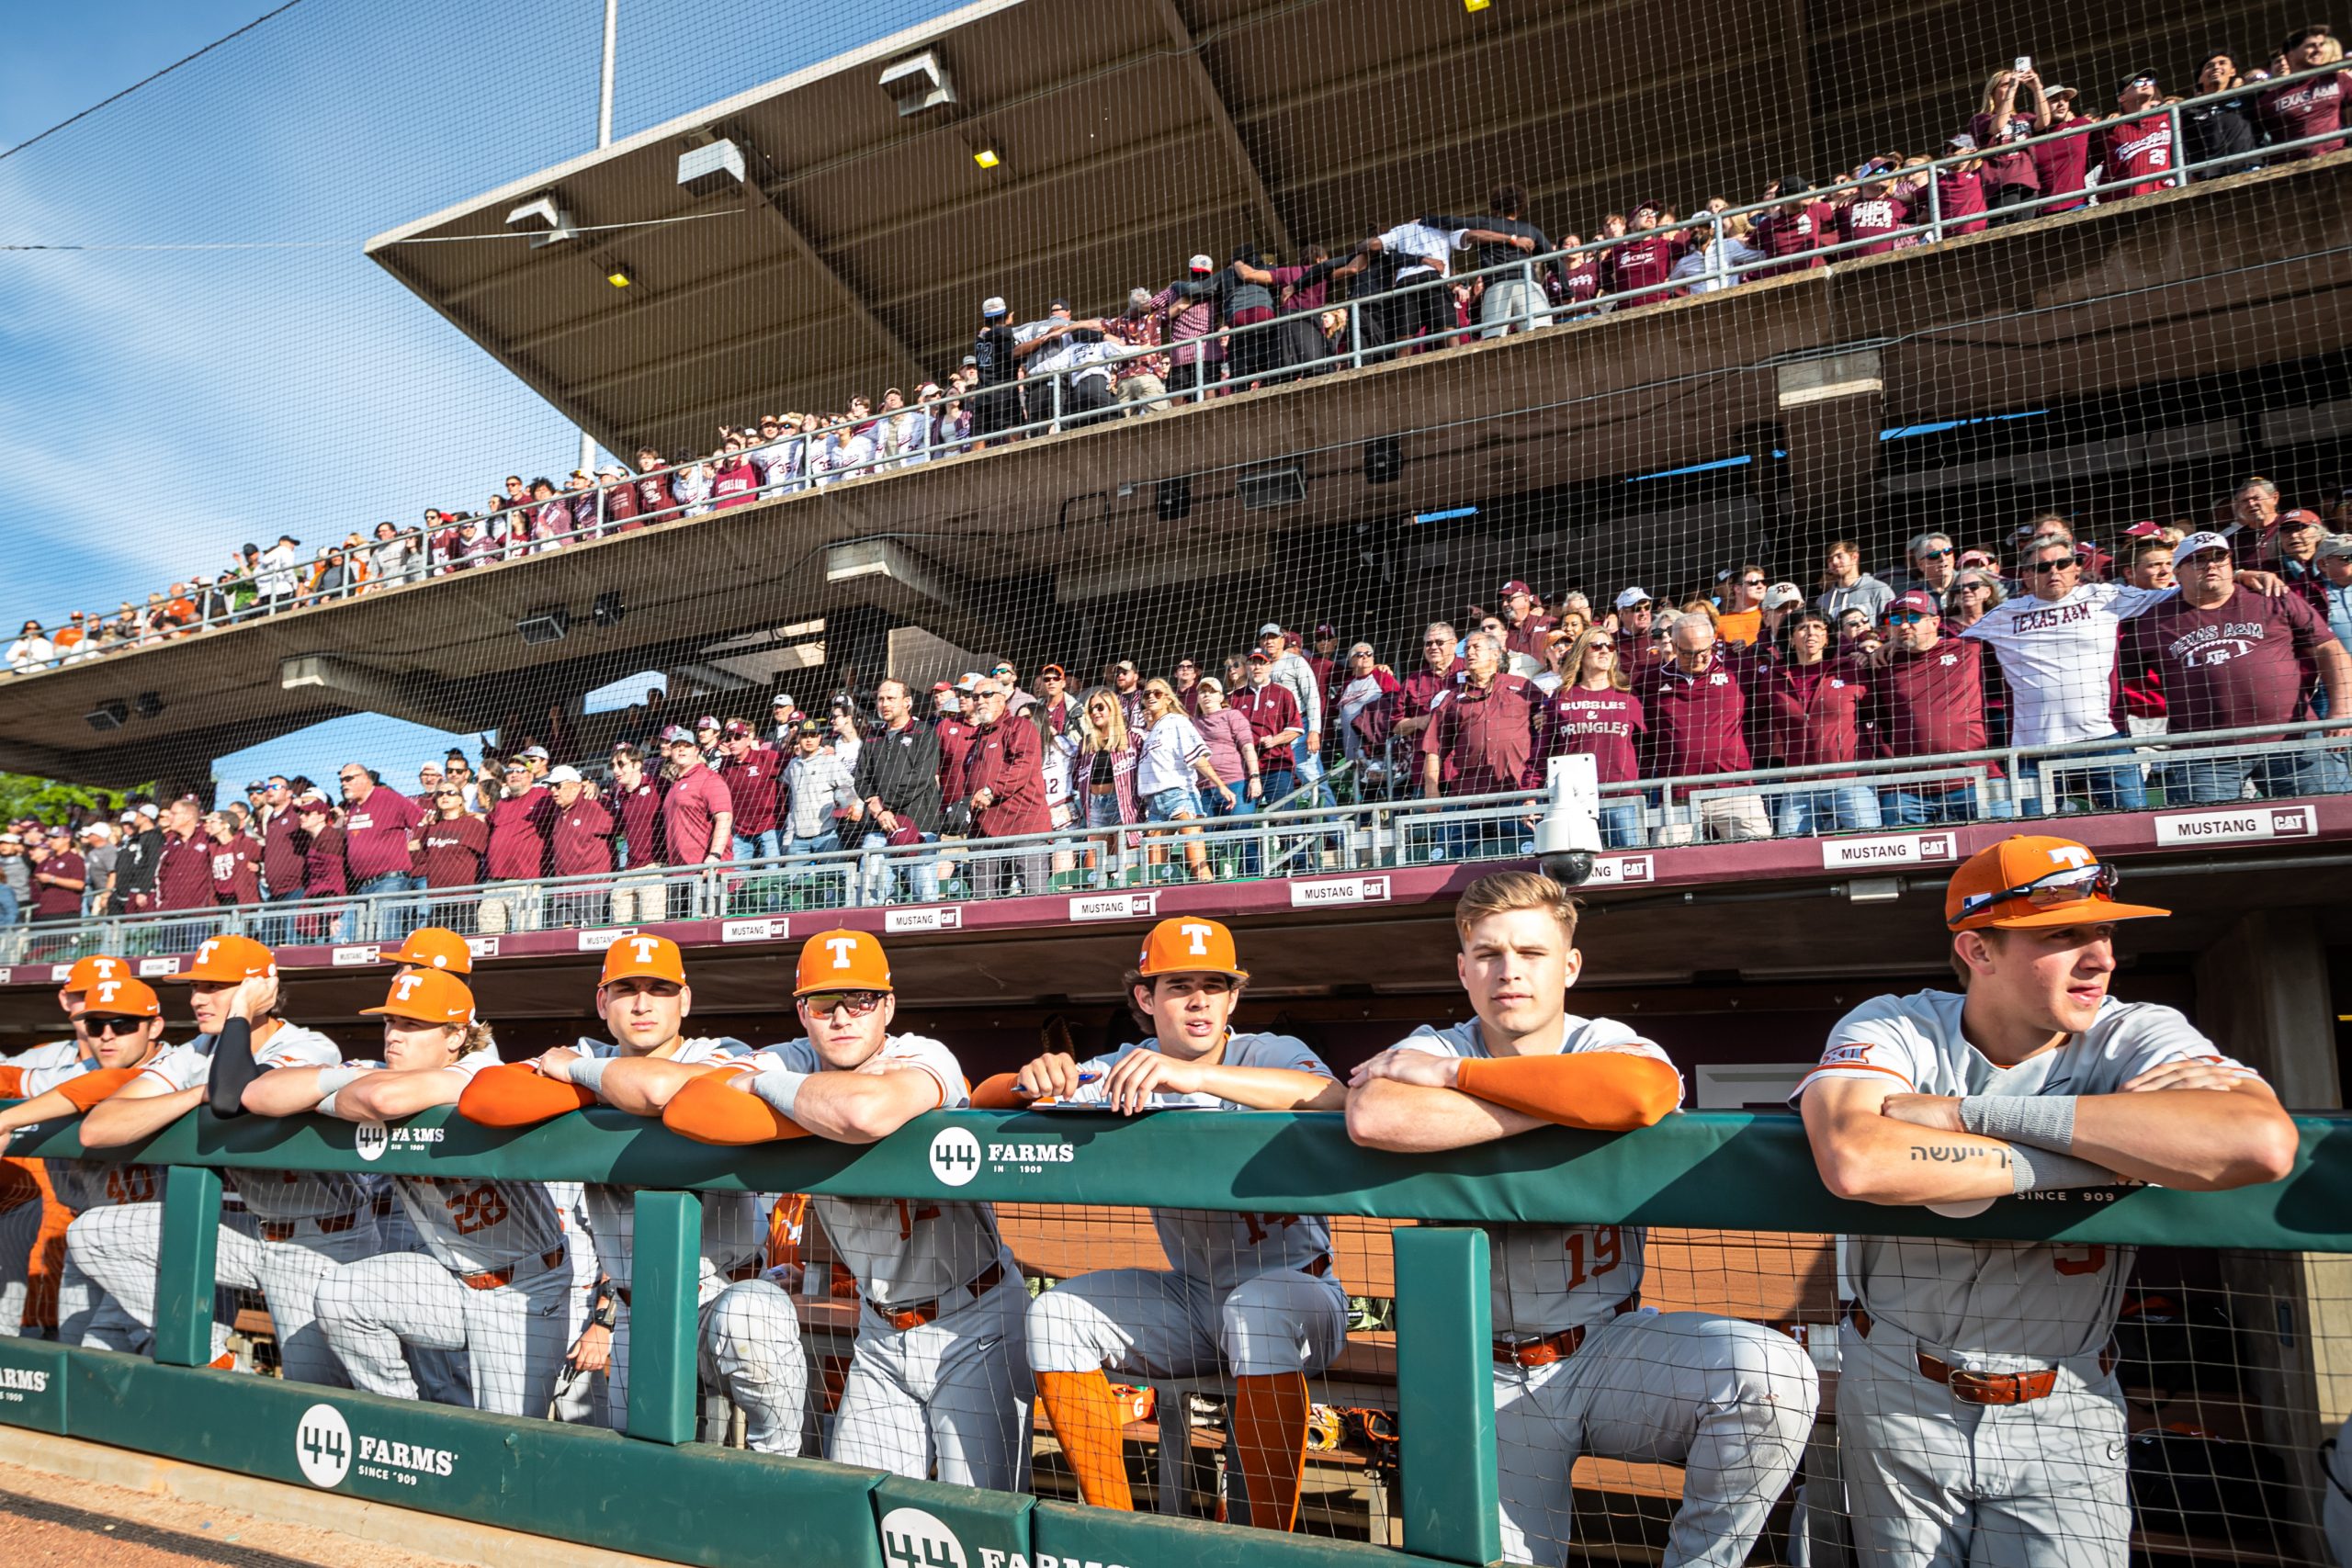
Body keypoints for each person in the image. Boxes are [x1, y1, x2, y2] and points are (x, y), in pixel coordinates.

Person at [1793, 835, 2297, 1568]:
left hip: (2067, 1403)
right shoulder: (1898, 1024)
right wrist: (2111, 1152)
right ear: (1979, 950)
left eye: (2104, 930)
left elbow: (2260, 1142)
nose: (2101, 957)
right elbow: (1857, 1158)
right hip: (1901, 1388)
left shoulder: (2135, 1031)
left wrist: (1969, 1114)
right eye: (2064, 934)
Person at [1346, 870, 1818, 1568]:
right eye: (1489, 954)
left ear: (1569, 965)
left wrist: (1455, 1085)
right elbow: (1374, 1113)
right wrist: (1565, 1108)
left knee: (1775, 1374)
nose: (1510, 971)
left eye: (1532, 953)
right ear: (1463, 968)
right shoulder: (1437, 1040)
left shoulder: (1590, 1039)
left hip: (1608, 1348)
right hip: (1483, 1372)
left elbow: (1640, 1089)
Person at [977, 918, 1346, 1529]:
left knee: (1258, 1307)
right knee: (1053, 1315)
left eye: (1214, 984)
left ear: (1234, 997)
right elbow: (982, 1099)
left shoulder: (1265, 1052)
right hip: (1198, 1298)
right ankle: (1119, 1532)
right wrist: (1028, 1079)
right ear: (1146, 999)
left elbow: (1329, 1096)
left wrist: (1194, 1075)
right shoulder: (1127, 1062)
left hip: (1301, 1292)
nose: (1199, 999)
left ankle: (1266, 1545)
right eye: (1179, 985)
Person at [661, 930, 1033, 1491]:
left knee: (977, 1517)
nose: (842, 1017)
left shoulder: (921, 1053)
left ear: (887, 1006)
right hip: (879, 1332)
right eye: (822, 1002)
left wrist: (766, 1087)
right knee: (858, 1507)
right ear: (801, 1013)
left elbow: (862, 1114)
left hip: (973, 1323)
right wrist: (807, 1097)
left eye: (859, 1000)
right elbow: (689, 1103)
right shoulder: (795, 1058)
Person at [456, 933, 803, 1447]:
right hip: (636, 1310)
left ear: (683, 1001)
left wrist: (582, 1080)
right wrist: (605, 1079)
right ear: (602, 1001)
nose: (642, 1004)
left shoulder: (718, 1052)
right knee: (640, 1457)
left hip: (727, 1295)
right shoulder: (587, 1053)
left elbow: (673, 1090)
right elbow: (484, 1099)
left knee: (755, 1326)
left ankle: (783, 1477)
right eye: (626, 989)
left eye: (659, 989)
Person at [239, 968, 569, 1415]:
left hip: (525, 1284)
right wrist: (346, 1085)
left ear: (455, 1037)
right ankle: (400, 1420)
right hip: (449, 1279)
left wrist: (329, 1099)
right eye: (390, 1022)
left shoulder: (480, 1068)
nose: (393, 1036)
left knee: (507, 1438)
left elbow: (385, 1103)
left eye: (412, 1025)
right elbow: (259, 1094)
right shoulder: (379, 1071)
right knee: (340, 1294)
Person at [72, 936, 361, 1381]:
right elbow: (98, 1128)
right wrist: (195, 1093)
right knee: (93, 1233)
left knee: (315, 1388)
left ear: (260, 990)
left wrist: (242, 1011)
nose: (197, 999)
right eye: (195, 987)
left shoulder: (309, 1046)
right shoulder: (196, 1052)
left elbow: (232, 1097)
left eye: (215, 987)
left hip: (319, 1238)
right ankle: (219, 1362)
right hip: (243, 1231)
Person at [2118, 532, 2352, 801]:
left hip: (2292, 738)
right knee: (2205, 836)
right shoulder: (2152, 622)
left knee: (2330, 819)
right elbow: (2122, 678)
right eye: (2198, 560)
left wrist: (2342, 708)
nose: (2211, 565)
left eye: (2220, 557)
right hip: (2205, 753)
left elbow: (2328, 648)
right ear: (2178, 572)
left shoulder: (2273, 596)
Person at [1959, 536, 2173, 811]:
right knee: (2035, 837)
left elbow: (2179, 594)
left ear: (2076, 568)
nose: (2054, 572)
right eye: (2042, 567)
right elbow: (1944, 645)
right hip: (2034, 748)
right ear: (2026, 575)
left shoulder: (2105, 596)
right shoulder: (2004, 615)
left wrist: (2239, 576)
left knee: (2135, 822)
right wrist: (1891, 643)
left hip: (2105, 738)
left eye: (2062, 563)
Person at [1634, 616, 1770, 841]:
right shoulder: (1650, 681)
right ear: (1674, 646)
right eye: (1688, 652)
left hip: (1734, 788)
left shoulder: (1738, 671)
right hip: (1678, 793)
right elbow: (1644, 735)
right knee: (1666, 858)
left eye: (1704, 650)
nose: (1698, 658)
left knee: (1763, 853)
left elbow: (1760, 714)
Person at [1869, 591, 1997, 823]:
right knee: (1898, 855)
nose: (1905, 625)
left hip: (1973, 777)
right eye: (1896, 620)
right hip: (1908, 787)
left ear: (1935, 621)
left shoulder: (1969, 649)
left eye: (1914, 618)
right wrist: (1862, 651)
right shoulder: (1882, 664)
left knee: (2001, 845)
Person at [1757, 611, 1880, 835]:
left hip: (1850, 779)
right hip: (1799, 782)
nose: (1810, 633)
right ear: (1790, 638)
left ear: (1827, 636)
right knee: (1791, 849)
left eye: (1817, 627)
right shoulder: (1774, 677)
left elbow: (1874, 711)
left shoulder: (1850, 670)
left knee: (1869, 846)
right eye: (1802, 628)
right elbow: (1755, 720)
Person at [1537, 629, 1646, 849]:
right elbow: (1544, 750)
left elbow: (1646, 750)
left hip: (1622, 797)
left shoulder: (1628, 699)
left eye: (1610, 646)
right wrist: (1531, 794)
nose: (1605, 650)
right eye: (1597, 646)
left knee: (1631, 867)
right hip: (1573, 801)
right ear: (1581, 653)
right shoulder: (1561, 697)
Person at [850, 680, 943, 907]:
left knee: (925, 898)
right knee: (870, 898)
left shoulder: (925, 733)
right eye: (881, 699)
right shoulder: (872, 737)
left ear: (907, 702)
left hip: (920, 826)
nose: (884, 704)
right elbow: (861, 778)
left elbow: (921, 777)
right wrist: (876, 808)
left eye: (891, 698)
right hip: (877, 830)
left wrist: (883, 805)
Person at [961, 676, 1051, 897]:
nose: (980, 700)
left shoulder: (1020, 726)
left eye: (987, 695)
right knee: (982, 903)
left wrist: (991, 790)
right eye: (975, 697)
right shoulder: (976, 738)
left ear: (1002, 699)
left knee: (1035, 899)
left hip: (1024, 827)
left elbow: (1024, 765)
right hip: (984, 832)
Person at [1135, 678, 1229, 882]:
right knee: (1154, 872)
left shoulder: (1177, 721)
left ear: (1168, 698)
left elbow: (1197, 757)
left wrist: (1220, 785)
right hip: (1153, 802)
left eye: (1157, 693)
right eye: (1147, 694)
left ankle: (1211, 897)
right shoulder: (1148, 732)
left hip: (1179, 794)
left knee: (1197, 863)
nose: (1151, 697)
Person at [337, 761, 424, 942]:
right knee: (363, 941)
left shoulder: (388, 798)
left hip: (390, 881)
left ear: (364, 778)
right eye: (341, 780)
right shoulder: (353, 807)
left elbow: (422, 820)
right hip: (362, 884)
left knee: (385, 938)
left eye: (348, 778)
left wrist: (415, 844)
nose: (343, 784)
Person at [2257, 26, 2352, 159]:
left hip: (2335, 162)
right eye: (2311, 46)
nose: (2318, 50)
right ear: (2290, 55)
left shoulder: (2337, 79)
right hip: (2291, 170)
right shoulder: (2268, 99)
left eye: (2321, 45)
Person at [1971, 65, 2052, 216]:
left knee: (2028, 230)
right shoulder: (1981, 119)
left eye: (2012, 83)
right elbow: (1998, 127)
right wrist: (2012, 90)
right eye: (2004, 85)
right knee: (2007, 231)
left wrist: (2037, 88)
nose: (2010, 87)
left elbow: (2044, 121)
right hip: (2001, 182)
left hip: (2028, 180)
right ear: (1992, 92)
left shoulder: (2022, 117)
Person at [657, 725, 733, 869]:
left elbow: (724, 818)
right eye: (676, 746)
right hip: (680, 871)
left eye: (687, 745)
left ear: (696, 751)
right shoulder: (674, 785)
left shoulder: (709, 778)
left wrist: (715, 855)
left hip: (707, 870)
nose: (681, 749)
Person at [783, 718, 857, 858]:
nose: (809, 739)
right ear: (798, 738)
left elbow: (848, 785)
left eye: (813, 735)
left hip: (825, 834)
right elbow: (785, 787)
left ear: (819, 737)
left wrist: (855, 805)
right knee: (793, 880)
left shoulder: (829, 761)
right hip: (798, 838)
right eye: (805, 735)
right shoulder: (792, 765)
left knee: (835, 876)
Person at [2098, 72, 2179, 198]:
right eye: (2138, 82)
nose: (2145, 84)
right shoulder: (2112, 129)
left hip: (2167, 195)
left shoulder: (2168, 117)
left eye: (2149, 81)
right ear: (2121, 97)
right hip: (2129, 202)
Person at [717, 719, 784, 863]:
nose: (732, 742)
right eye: (729, 738)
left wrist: (823, 750)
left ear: (748, 739)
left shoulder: (766, 757)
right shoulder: (725, 764)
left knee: (773, 875)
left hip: (769, 826)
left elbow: (796, 760)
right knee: (737, 879)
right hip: (740, 830)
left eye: (737, 737)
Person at [1815, 540, 1894, 624]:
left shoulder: (1879, 590)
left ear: (1854, 557)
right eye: (1830, 560)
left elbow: (1890, 626)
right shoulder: (1823, 600)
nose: (1834, 562)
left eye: (1839, 556)